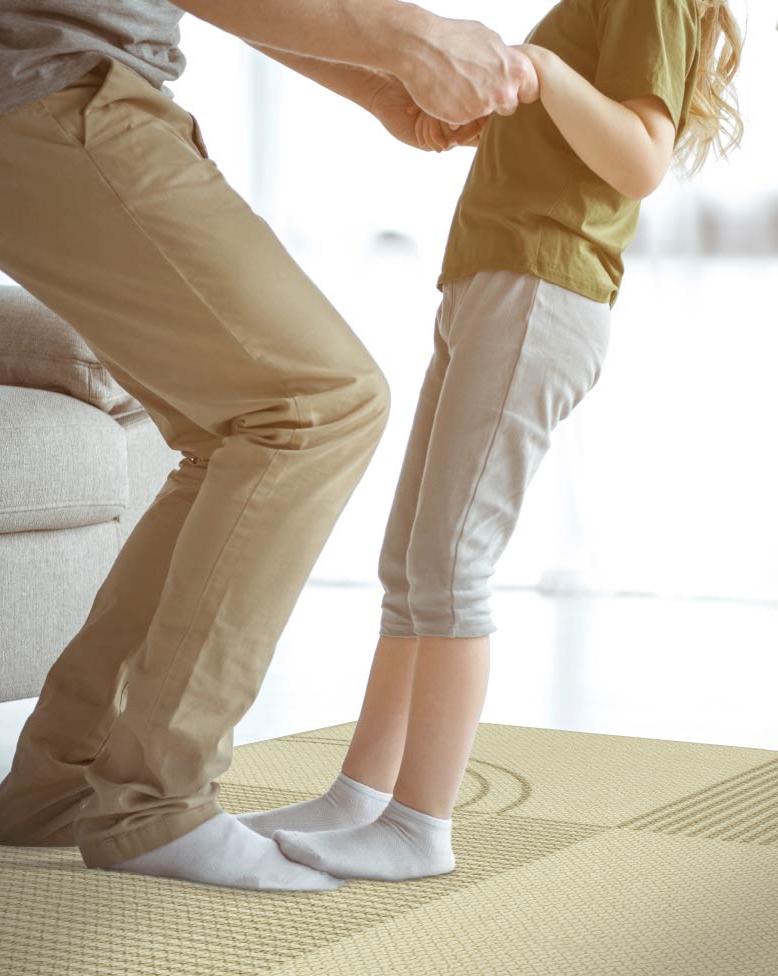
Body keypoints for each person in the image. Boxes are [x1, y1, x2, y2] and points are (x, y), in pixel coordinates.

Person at [0, 0, 538, 893]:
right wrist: (412, 40)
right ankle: (153, 803)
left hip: (29, 100)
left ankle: (66, 780)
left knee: (235, 434)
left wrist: (380, 82)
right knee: (318, 403)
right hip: (45, 93)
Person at [239, 0, 744, 882]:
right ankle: (360, 796)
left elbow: (640, 159)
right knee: (412, 564)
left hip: (538, 289)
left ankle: (419, 827)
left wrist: (540, 71)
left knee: (450, 565)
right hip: (491, 283)